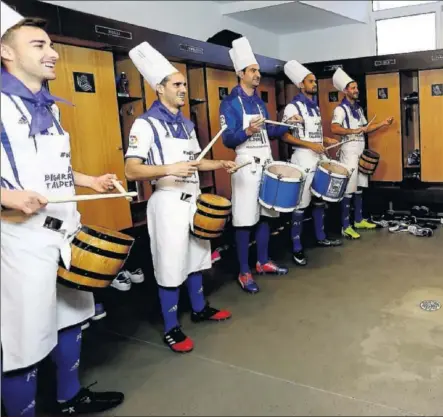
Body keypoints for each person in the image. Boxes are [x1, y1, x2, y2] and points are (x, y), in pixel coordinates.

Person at [0, 3, 124, 416]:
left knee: (71, 317)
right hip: (20, 238)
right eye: (39, 45)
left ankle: (70, 399)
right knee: (25, 341)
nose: (52, 52)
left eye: (51, 44)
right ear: (7, 53)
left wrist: (89, 181)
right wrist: (6, 196)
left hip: (65, 231)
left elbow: (53, 168)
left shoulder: (49, 108)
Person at [125, 41, 236, 354]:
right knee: (170, 265)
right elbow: (131, 170)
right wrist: (169, 168)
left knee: (197, 257)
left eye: (185, 84)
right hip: (168, 203)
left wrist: (220, 163)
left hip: (193, 199)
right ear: (160, 89)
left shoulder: (187, 124)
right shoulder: (145, 124)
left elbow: (195, 161)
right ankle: (171, 328)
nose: (183, 89)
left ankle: (200, 309)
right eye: (177, 85)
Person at [219, 37, 300, 294]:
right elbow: (227, 139)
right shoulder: (230, 103)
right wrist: (246, 130)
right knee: (244, 221)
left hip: (265, 163)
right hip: (244, 166)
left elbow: (269, 134)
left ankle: (262, 261)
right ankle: (244, 271)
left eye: (257, 70)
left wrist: (288, 123)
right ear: (240, 73)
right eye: (252, 70)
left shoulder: (259, 102)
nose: (257, 74)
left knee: (266, 215)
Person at [281, 60, 342, 267]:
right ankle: (297, 247)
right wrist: (310, 145)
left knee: (320, 199)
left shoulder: (314, 107)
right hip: (303, 157)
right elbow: (286, 136)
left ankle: (320, 236)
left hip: (317, 154)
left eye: (315, 81)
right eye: (310, 81)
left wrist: (325, 141)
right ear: (301, 84)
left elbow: (313, 134)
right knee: (301, 203)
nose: (314, 84)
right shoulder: (292, 107)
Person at [330, 68, 394, 239]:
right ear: (345, 91)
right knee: (349, 189)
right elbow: (334, 128)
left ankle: (358, 220)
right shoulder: (340, 110)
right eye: (352, 88)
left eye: (356, 87)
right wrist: (353, 130)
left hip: (360, 150)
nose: (356, 90)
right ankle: (346, 226)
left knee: (359, 187)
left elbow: (366, 128)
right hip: (349, 151)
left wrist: (382, 124)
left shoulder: (358, 108)